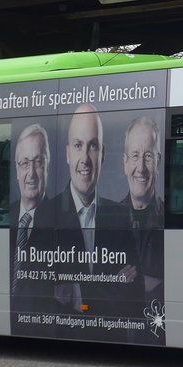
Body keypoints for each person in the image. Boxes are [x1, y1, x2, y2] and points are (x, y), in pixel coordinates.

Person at [43, 104, 137, 312]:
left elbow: (133, 291)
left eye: (93, 146)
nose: (85, 159)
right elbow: (41, 288)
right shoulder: (45, 214)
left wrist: (78, 291)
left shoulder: (120, 215)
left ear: (102, 154)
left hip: (111, 333)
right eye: (78, 145)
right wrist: (111, 285)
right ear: (68, 154)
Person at [120, 115, 163, 304]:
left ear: (158, 162)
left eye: (148, 156)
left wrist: (137, 283)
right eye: (135, 156)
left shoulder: (170, 219)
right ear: (125, 163)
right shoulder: (105, 219)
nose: (141, 168)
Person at [10, 123, 51, 306]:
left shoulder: (63, 218)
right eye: (25, 164)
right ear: (17, 171)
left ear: (47, 167)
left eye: (38, 162)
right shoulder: (5, 216)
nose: (31, 174)